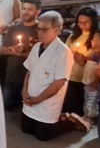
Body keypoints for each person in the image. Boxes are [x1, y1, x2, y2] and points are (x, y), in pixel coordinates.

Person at [21, 11, 75, 141]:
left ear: (57, 30)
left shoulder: (63, 52)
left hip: (47, 105)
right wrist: (24, 90)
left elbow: (59, 83)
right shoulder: (36, 47)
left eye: (44, 30)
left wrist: (38, 99)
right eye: (38, 29)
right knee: (26, 130)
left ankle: (69, 120)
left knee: (42, 137)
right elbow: (29, 70)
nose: (40, 33)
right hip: (30, 100)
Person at [0, 0, 40, 110]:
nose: (25, 12)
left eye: (30, 9)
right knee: (7, 108)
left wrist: (19, 53)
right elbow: (2, 50)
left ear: (38, 12)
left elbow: (38, 55)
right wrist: (14, 48)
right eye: (24, 8)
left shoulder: (40, 29)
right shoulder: (14, 28)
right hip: (12, 78)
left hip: (30, 80)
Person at [71, 28, 100, 132]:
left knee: (92, 101)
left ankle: (88, 120)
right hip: (88, 81)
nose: (92, 40)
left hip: (94, 84)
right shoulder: (93, 52)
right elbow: (88, 66)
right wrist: (81, 60)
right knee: (88, 100)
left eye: (95, 38)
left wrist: (95, 83)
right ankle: (86, 117)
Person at [61, 7, 98, 116]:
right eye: (80, 22)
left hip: (84, 79)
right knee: (67, 106)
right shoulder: (73, 36)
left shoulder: (96, 38)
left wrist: (84, 61)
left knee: (78, 108)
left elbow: (98, 59)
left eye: (86, 22)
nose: (83, 25)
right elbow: (64, 51)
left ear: (93, 21)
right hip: (69, 76)